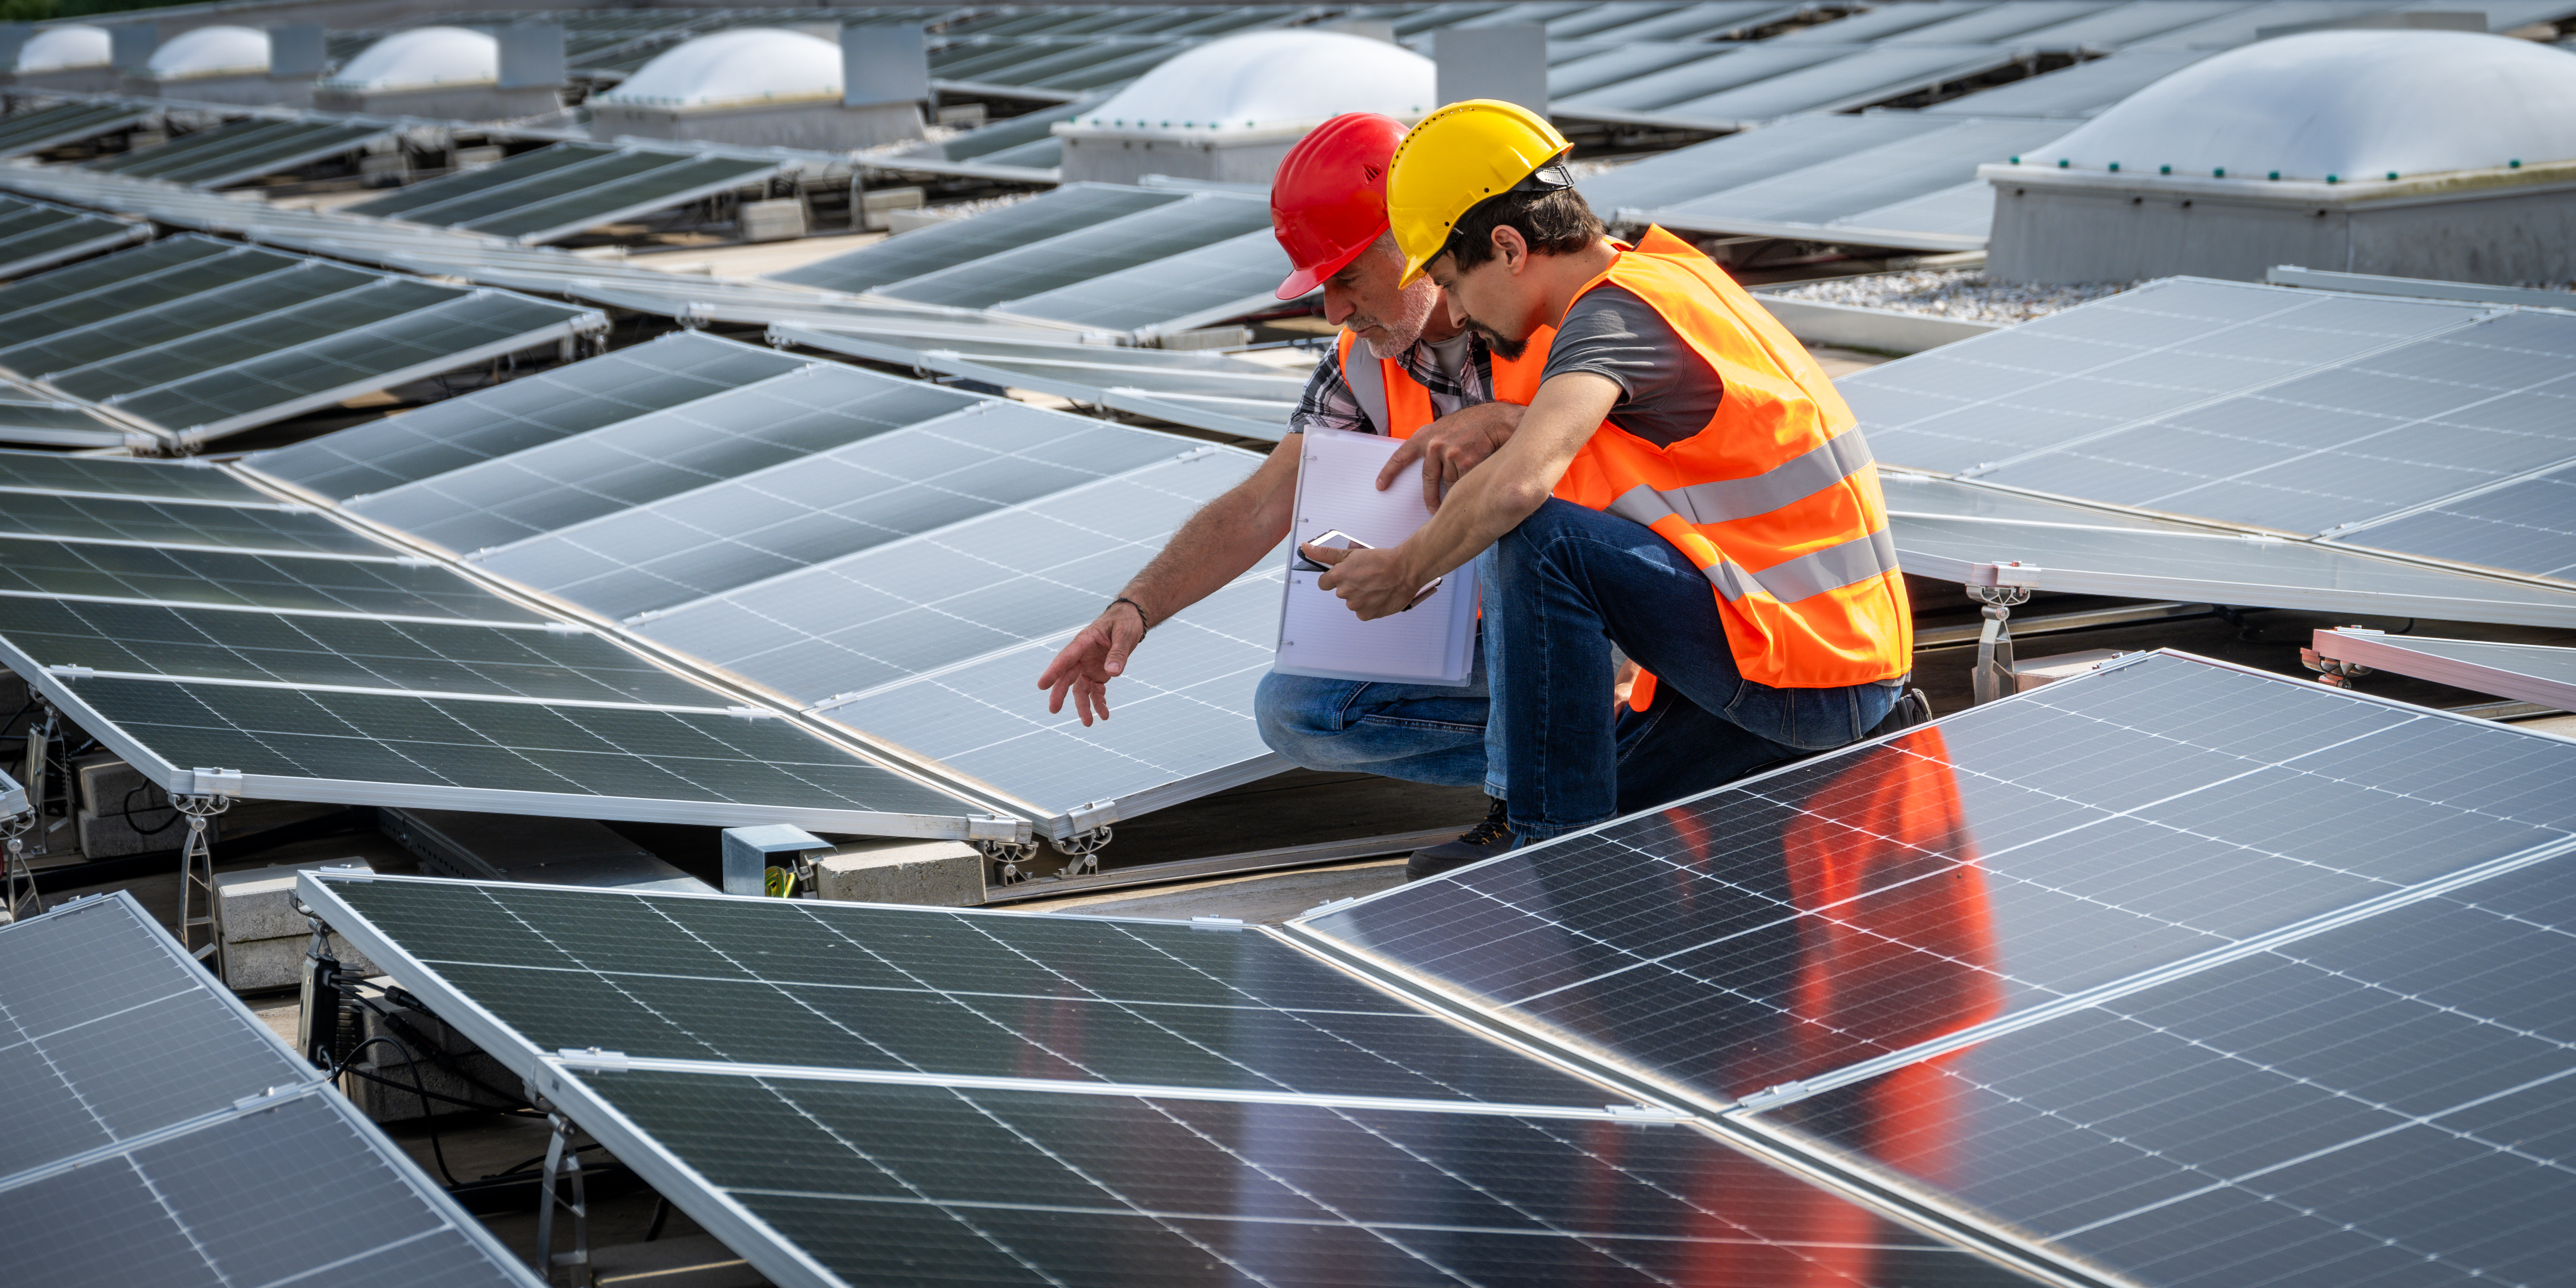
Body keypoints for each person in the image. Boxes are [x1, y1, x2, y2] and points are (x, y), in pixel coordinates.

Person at [1301, 99, 1915, 857]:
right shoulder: (1657, 281)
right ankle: (1574, 833)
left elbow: (1520, 488)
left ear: (1509, 247)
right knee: (1617, 805)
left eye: (1452, 284)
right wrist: (1505, 422)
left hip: (1809, 674)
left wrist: (1403, 572)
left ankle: (1542, 843)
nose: (1453, 313)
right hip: (1801, 660)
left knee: (1540, 538)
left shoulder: (1612, 322)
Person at [1034, 112, 1548, 871]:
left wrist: (1509, 427)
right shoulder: (1369, 356)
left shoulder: (1546, 309)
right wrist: (1133, 609)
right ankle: (1607, 757)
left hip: (1623, 618)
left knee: (1518, 533)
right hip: (1503, 639)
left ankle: (1534, 809)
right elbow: (1261, 504)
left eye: (1346, 277)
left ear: (1413, 238)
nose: (1334, 310)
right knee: (1299, 711)